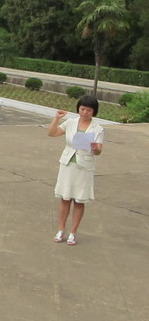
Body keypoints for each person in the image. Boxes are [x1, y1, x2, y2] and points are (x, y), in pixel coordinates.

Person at [48, 96, 104, 246]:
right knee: (65, 198)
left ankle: (73, 232)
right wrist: (57, 118)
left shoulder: (97, 128)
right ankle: (60, 229)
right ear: (78, 108)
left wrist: (94, 148)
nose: (85, 112)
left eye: (89, 110)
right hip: (68, 164)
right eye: (82, 109)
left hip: (84, 167)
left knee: (79, 200)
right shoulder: (71, 123)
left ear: (94, 111)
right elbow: (52, 133)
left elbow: (98, 151)